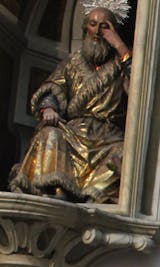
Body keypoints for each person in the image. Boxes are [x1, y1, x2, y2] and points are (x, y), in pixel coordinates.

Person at [8, 2, 132, 203]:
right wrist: (48, 107)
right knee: (50, 135)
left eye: (105, 26)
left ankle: (96, 200)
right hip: (74, 131)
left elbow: (141, 86)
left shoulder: (122, 62)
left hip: (107, 136)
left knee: (124, 154)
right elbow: (52, 88)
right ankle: (57, 192)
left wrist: (119, 46)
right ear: (85, 28)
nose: (98, 32)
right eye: (93, 24)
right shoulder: (72, 65)